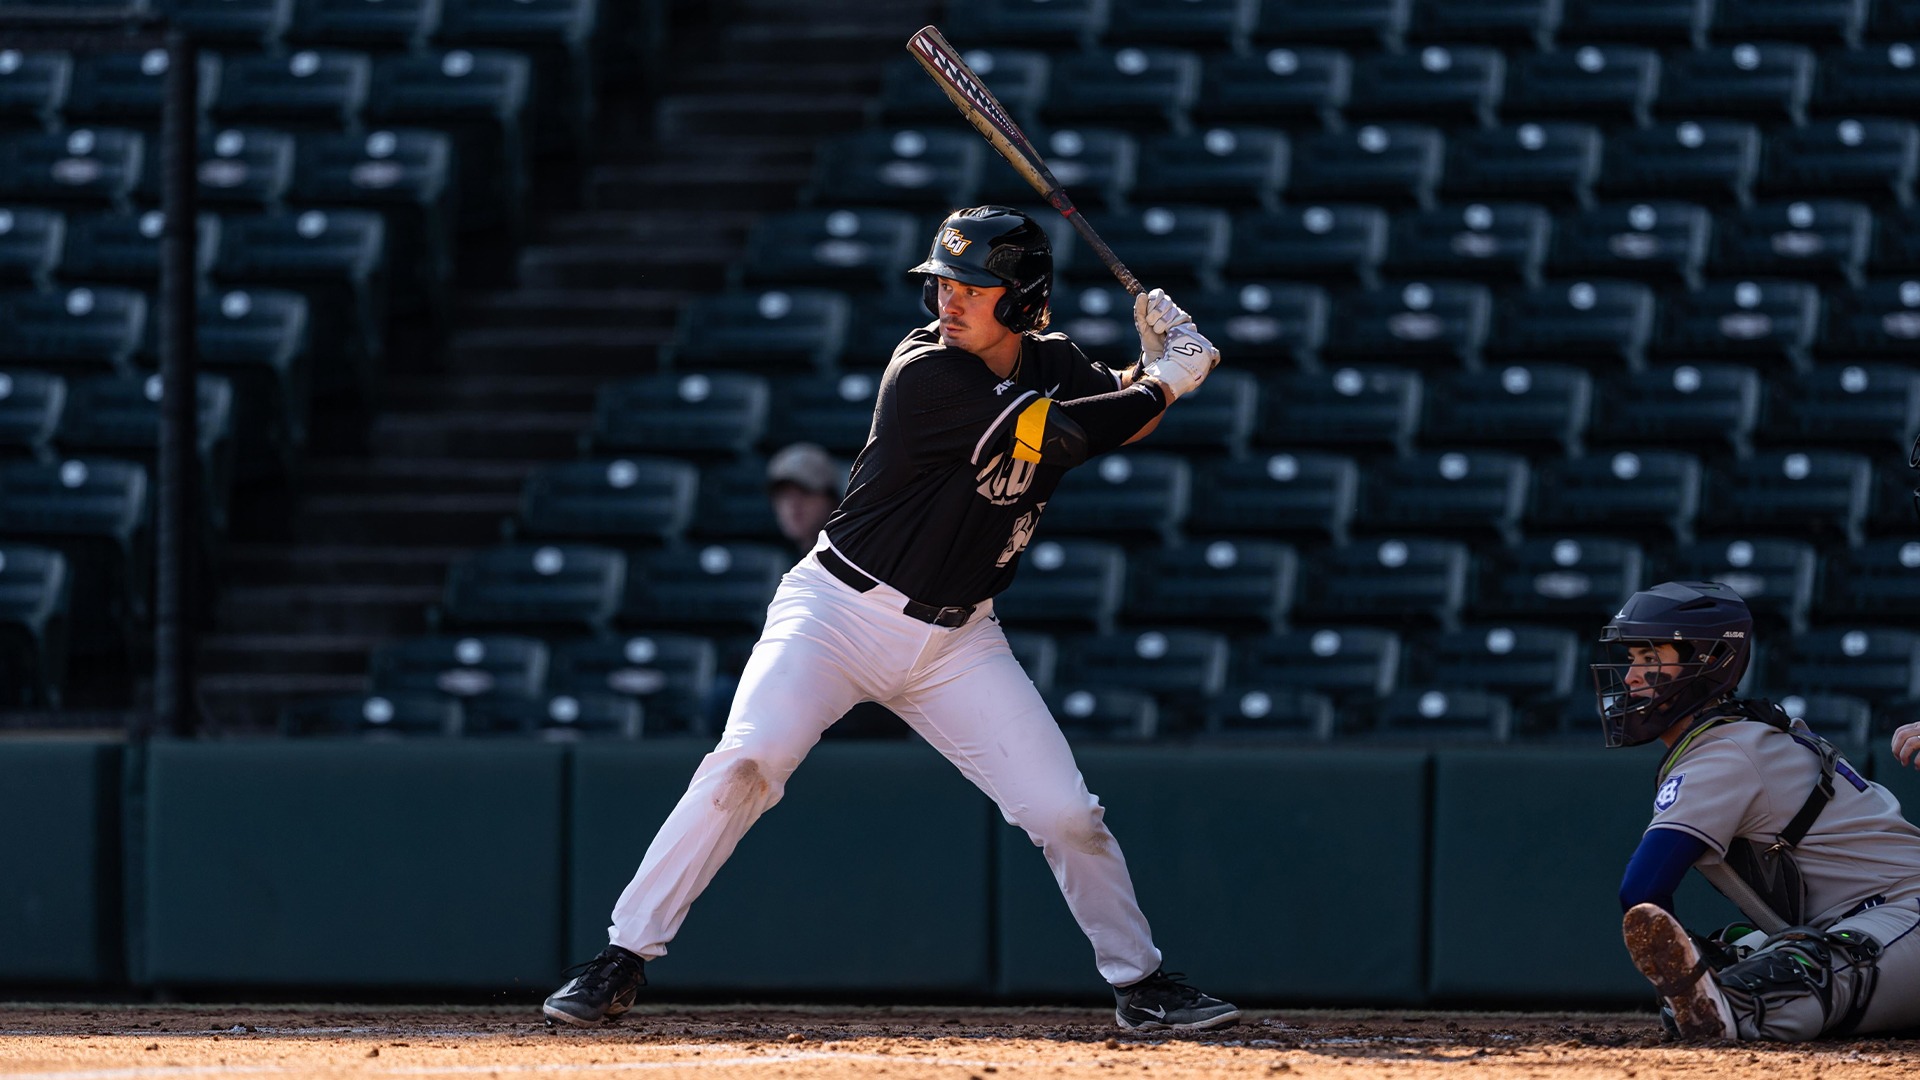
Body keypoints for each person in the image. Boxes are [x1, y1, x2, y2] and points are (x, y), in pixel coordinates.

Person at [543, 206, 1238, 1032]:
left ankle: (1142, 983)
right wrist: (1168, 376)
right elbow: (1059, 439)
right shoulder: (925, 373)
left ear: (1020, 300)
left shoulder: (1053, 360)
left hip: (958, 640)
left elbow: (1113, 419)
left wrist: (1155, 368)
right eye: (943, 283)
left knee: (1066, 815)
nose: (948, 299)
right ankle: (621, 959)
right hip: (836, 612)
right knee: (749, 760)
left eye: (973, 287)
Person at [1597, 581, 1920, 1042]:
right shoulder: (1734, 737)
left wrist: (1681, 979)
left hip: (1904, 912)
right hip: (1874, 919)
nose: (1630, 677)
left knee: (1754, 995)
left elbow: (1642, 891)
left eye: (1650, 659)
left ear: (1707, 661)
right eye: (1631, 660)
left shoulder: (1726, 752)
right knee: (1739, 948)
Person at [765, 441, 843, 554]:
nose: (793, 504)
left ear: (831, 499)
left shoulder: (853, 556)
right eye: (784, 495)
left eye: (805, 492)